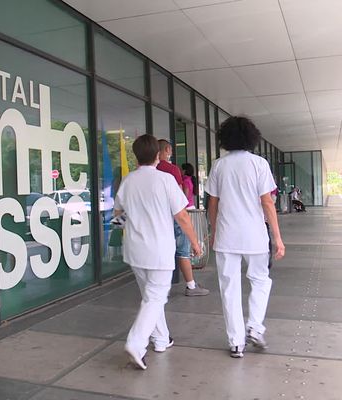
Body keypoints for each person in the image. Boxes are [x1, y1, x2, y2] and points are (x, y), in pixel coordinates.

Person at [114, 134, 201, 370]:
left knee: (151, 298)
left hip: (134, 250)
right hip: (159, 249)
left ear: (136, 155)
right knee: (155, 297)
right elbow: (182, 216)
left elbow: (117, 216)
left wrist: (134, 221)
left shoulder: (128, 181)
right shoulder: (164, 180)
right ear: (157, 155)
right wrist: (195, 242)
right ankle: (136, 343)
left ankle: (161, 339)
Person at [206, 116, 285, 359]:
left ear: (225, 138)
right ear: (252, 137)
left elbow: (212, 204)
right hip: (254, 235)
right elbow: (267, 203)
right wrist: (278, 237)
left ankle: (236, 343)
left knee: (229, 287)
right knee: (260, 281)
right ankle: (255, 327)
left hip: (226, 235)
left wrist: (213, 231)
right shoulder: (259, 164)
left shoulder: (219, 165)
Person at [157, 139, 209, 296]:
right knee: (183, 251)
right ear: (167, 149)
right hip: (174, 215)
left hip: (158, 220)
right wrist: (195, 243)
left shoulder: (134, 178)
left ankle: (161, 286)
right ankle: (191, 285)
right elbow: (179, 198)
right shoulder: (171, 170)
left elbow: (120, 216)